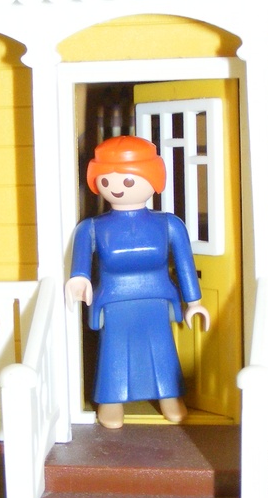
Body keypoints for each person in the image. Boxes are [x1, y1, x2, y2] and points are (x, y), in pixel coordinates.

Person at [66, 135, 209, 429]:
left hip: (156, 298)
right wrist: (79, 279)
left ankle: (170, 398)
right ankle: (110, 401)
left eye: (128, 180)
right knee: (114, 351)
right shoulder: (91, 228)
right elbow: (80, 264)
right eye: (107, 180)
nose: (116, 187)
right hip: (114, 300)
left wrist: (194, 302)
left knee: (162, 349)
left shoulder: (169, 224)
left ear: (152, 177)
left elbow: (185, 265)